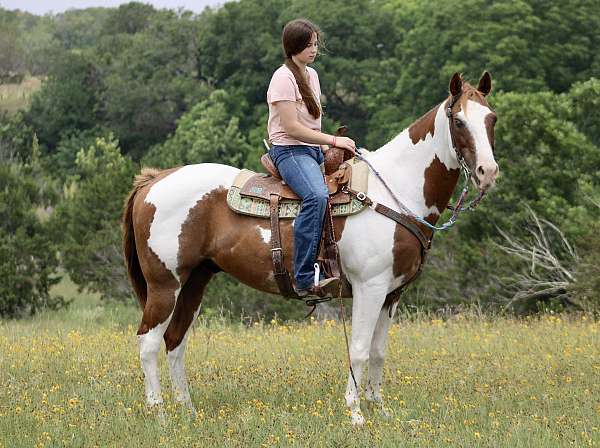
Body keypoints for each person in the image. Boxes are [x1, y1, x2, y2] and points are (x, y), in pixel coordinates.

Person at [266, 18, 356, 297]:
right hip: (289, 150)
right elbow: (292, 128)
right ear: (293, 47)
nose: (314, 49)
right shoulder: (282, 78)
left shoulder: (312, 75)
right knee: (316, 196)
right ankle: (303, 277)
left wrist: (333, 146)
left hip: (312, 149)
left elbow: (311, 125)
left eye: (316, 44)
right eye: (308, 45)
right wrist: (333, 140)